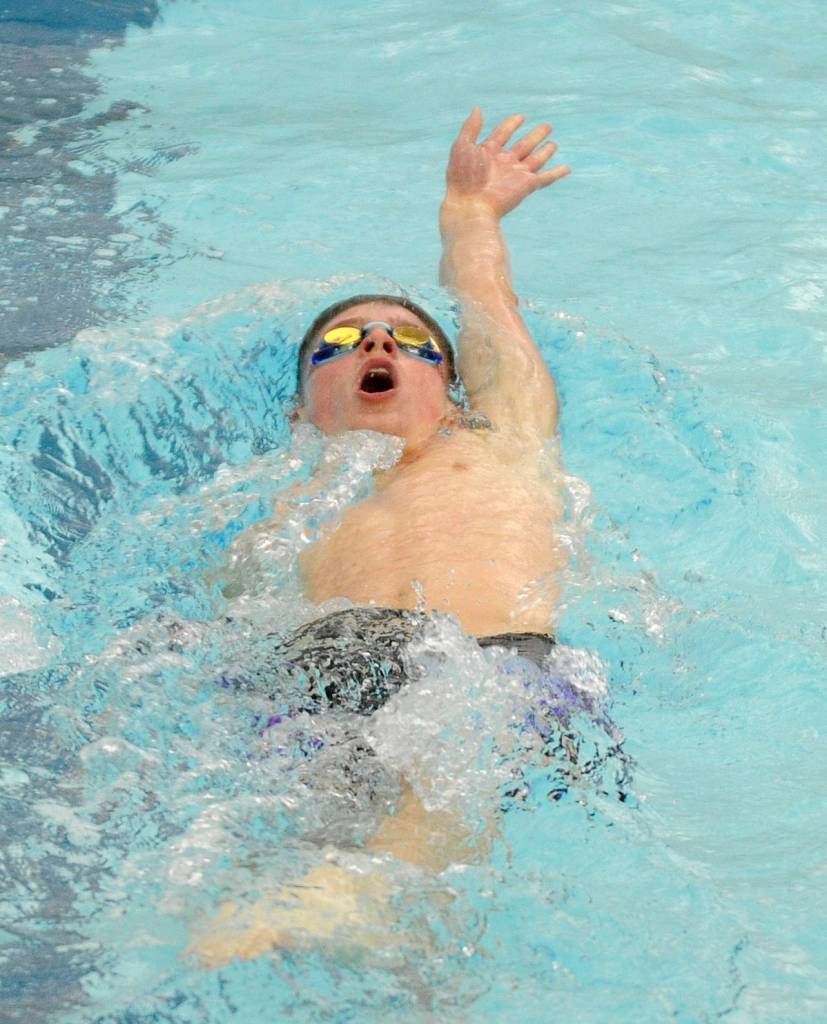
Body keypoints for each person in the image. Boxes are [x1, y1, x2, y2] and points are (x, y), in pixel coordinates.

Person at [194, 108, 573, 965]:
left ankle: (356, 888)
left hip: (487, 656)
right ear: (302, 411)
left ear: (455, 391)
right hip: (324, 667)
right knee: (399, 932)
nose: (373, 341)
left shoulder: (500, 443)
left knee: (446, 767)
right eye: (338, 342)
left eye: (409, 342)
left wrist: (468, 215)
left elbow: (489, 307)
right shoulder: (279, 506)